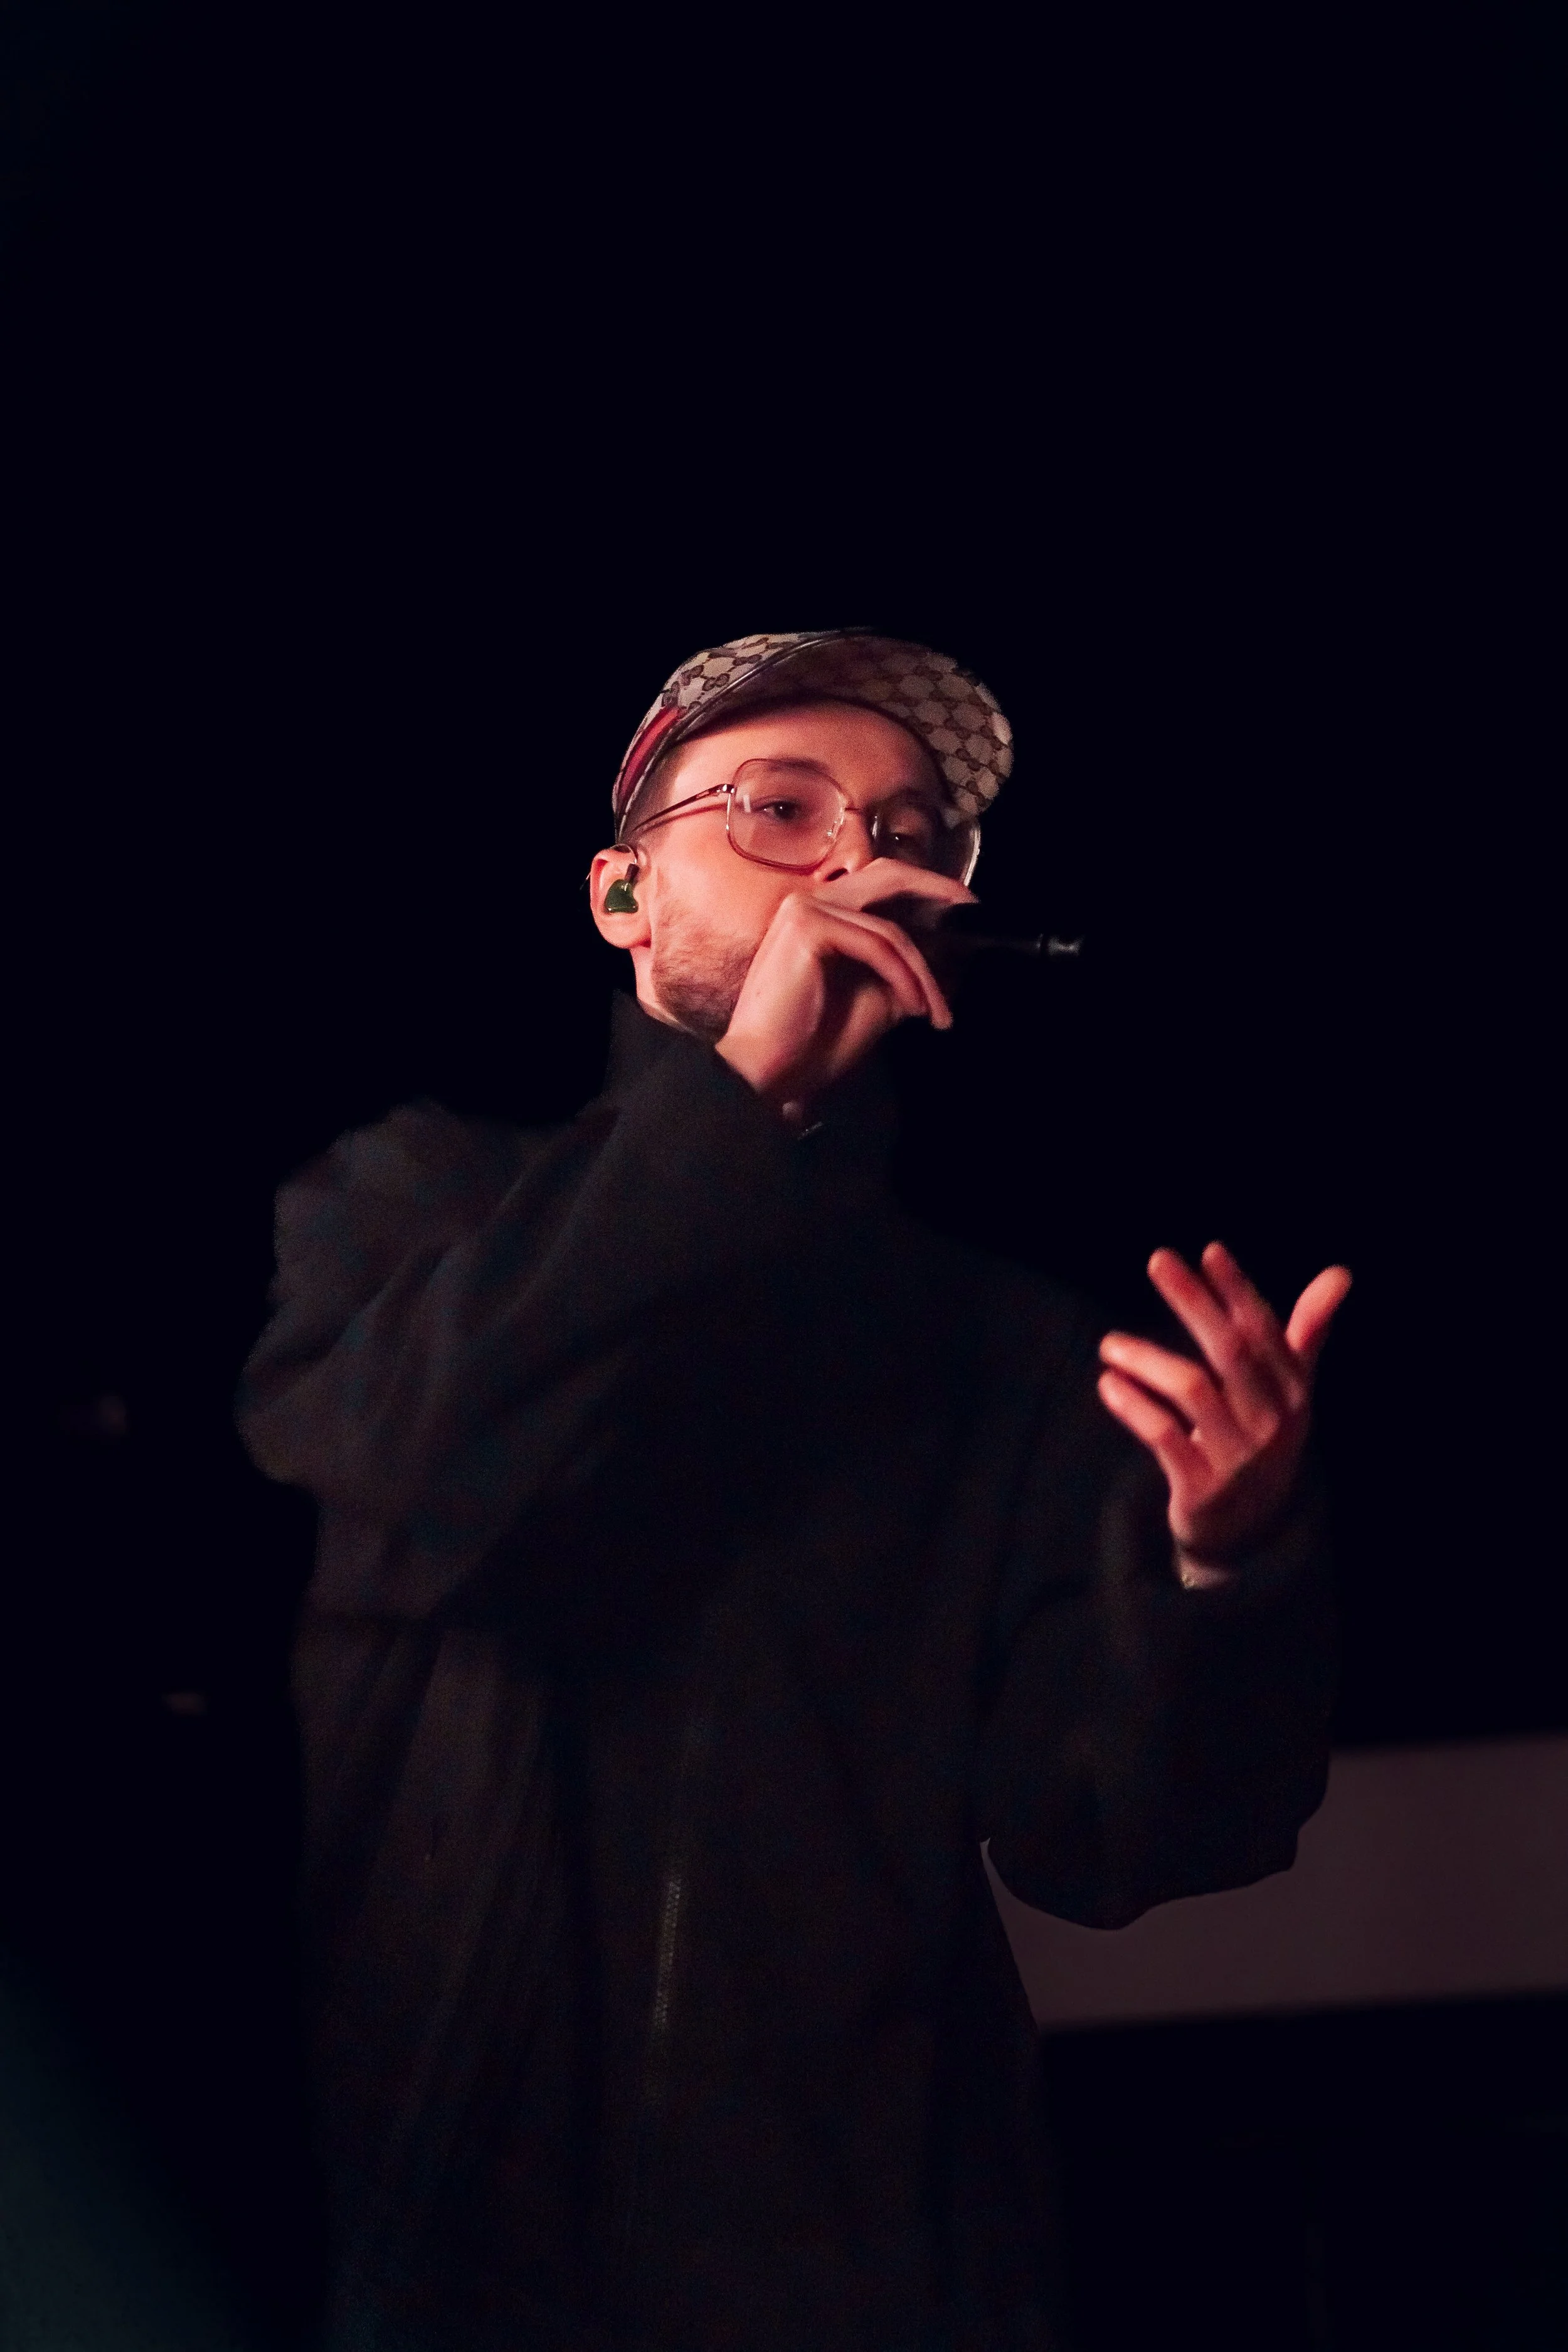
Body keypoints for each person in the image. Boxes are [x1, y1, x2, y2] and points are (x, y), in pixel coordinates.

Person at [237, 629, 1351, 2352]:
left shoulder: (1000, 1353)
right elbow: (394, 1483)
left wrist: (1226, 1568)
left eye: (908, 829)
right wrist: (735, 1100)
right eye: (778, 807)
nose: (853, 858)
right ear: (618, 896)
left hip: (883, 2279)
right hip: (443, 2247)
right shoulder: (406, 1206)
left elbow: (1115, 1838)